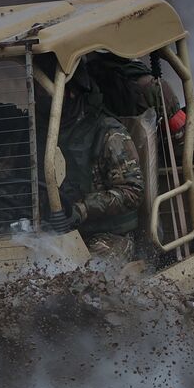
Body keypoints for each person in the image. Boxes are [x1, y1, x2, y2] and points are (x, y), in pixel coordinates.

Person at [41, 60, 144, 258]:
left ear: (71, 93)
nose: (39, 99)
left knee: (88, 275)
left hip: (106, 235)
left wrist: (82, 209)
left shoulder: (107, 134)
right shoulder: (35, 135)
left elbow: (132, 192)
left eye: (44, 92)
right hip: (48, 232)